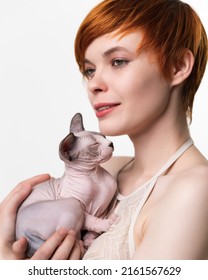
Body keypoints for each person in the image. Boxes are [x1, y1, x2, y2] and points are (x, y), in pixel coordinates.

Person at [0, 0, 208, 260]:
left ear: (178, 66)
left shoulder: (196, 190)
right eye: (89, 70)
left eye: (118, 62)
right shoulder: (107, 170)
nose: (94, 84)